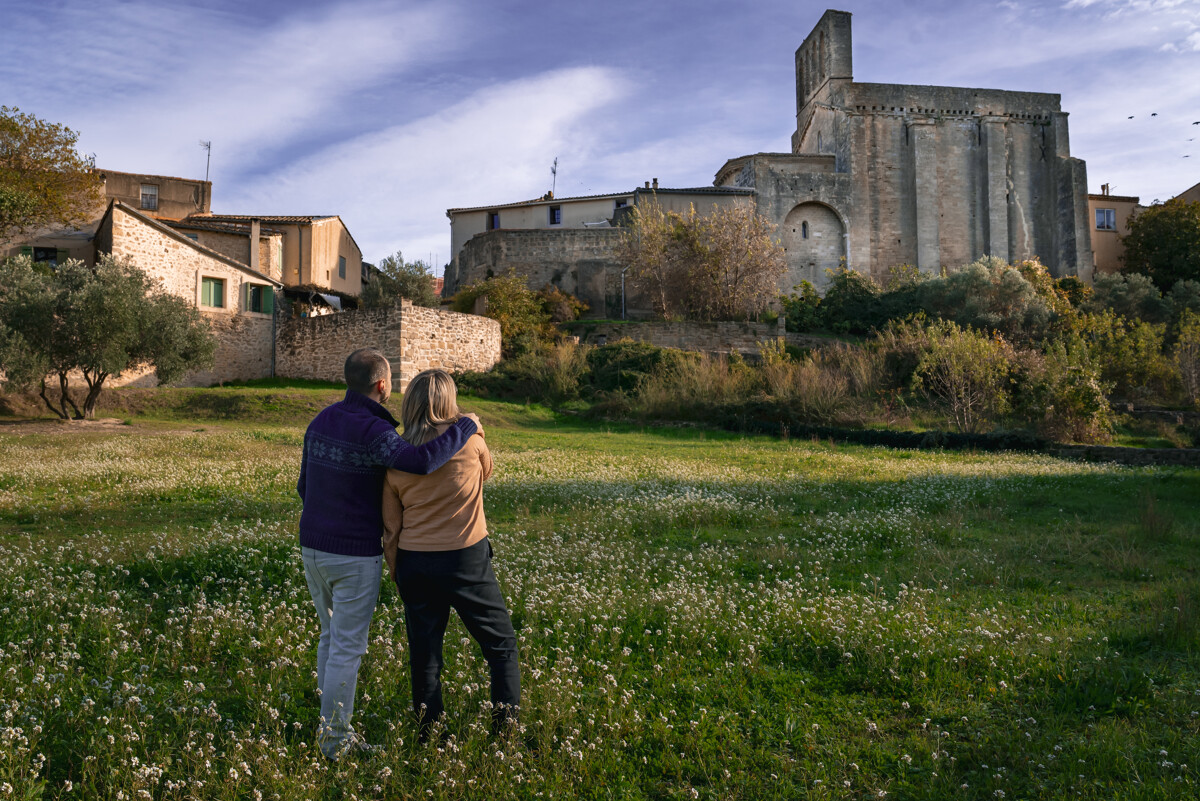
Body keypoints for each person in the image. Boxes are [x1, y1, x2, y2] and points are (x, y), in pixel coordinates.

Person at [297, 348, 482, 761]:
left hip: (312, 548)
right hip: (353, 555)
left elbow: (303, 486)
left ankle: (328, 729)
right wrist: (465, 425)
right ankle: (334, 743)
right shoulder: (374, 430)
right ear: (382, 385)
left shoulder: (320, 420)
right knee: (347, 647)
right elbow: (421, 461)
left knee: (330, 638)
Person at [381, 369, 521, 742]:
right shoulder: (471, 443)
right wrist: (474, 429)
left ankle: (431, 732)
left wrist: (396, 570)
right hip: (465, 557)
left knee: (425, 653)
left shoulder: (397, 454)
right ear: (449, 401)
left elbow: (391, 526)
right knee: (500, 645)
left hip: (415, 560)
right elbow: (486, 473)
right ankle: (504, 730)